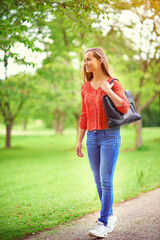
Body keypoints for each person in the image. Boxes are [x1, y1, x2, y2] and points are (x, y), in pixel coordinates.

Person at [76, 47, 130, 238]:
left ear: (100, 60)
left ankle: (103, 222)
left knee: (106, 180)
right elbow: (84, 115)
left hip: (110, 136)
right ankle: (110, 215)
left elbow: (124, 107)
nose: (86, 63)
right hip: (92, 138)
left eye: (89, 59)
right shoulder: (85, 87)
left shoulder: (113, 83)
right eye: (84, 60)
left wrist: (109, 91)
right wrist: (79, 141)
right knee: (98, 180)